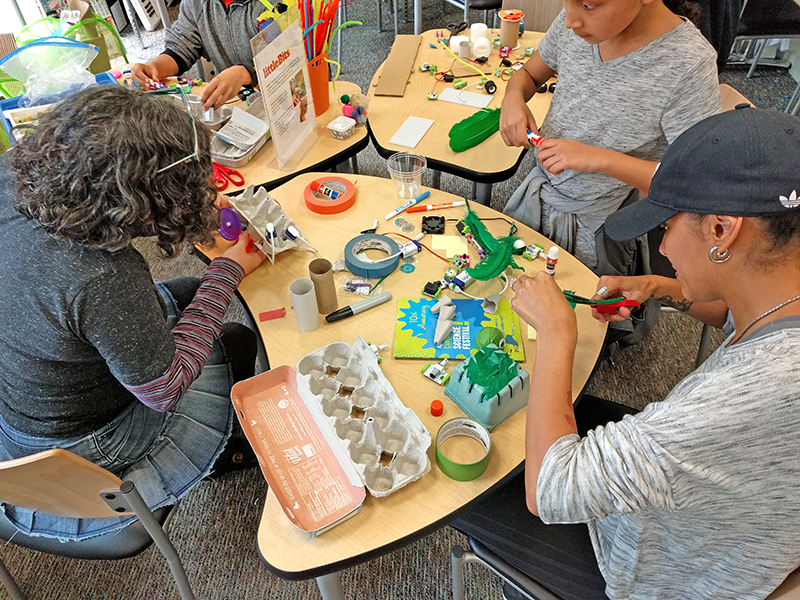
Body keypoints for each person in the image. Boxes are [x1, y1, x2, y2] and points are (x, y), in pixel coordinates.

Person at [453, 107, 800, 599]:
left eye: (668, 224)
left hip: (655, 572)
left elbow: (548, 489)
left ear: (722, 230)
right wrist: (663, 287)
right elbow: (737, 315)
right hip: (729, 520)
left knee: (473, 485)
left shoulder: (741, 399)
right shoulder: (785, 291)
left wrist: (556, 333)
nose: (662, 244)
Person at [0, 85, 266, 540]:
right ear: (138, 202)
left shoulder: (13, 179)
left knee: (190, 293)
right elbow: (164, 390)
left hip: (22, 411)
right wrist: (227, 270)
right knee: (235, 338)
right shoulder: (102, 275)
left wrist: (189, 210)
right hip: (86, 445)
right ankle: (230, 450)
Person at [500, 0, 721, 272]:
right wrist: (513, 97)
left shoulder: (688, 64)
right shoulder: (576, 23)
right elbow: (529, 75)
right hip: (539, 199)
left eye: (589, 6)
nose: (570, 21)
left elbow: (694, 184)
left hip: (602, 229)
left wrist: (599, 159)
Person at [131, 0, 264, 110]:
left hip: (273, 97)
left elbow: (281, 65)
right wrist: (155, 68)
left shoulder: (272, 6)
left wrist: (246, 74)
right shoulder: (196, 3)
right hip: (231, 103)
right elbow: (182, 45)